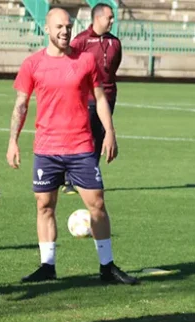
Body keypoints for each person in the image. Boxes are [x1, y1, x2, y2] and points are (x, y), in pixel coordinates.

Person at [7, 7, 137, 285]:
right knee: (44, 205)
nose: (64, 31)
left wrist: (110, 131)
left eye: (67, 27)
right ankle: (47, 266)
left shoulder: (86, 60)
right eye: (59, 27)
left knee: (97, 204)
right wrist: (13, 141)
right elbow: (21, 104)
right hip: (46, 147)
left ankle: (107, 266)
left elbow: (100, 98)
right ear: (47, 30)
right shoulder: (32, 64)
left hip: (80, 145)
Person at [62, 2, 122, 195]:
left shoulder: (115, 43)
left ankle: (88, 177)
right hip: (85, 97)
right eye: (109, 17)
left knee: (100, 137)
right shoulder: (81, 41)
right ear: (97, 18)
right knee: (81, 137)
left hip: (108, 97)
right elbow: (67, 65)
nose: (112, 21)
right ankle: (69, 179)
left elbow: (113, 68)